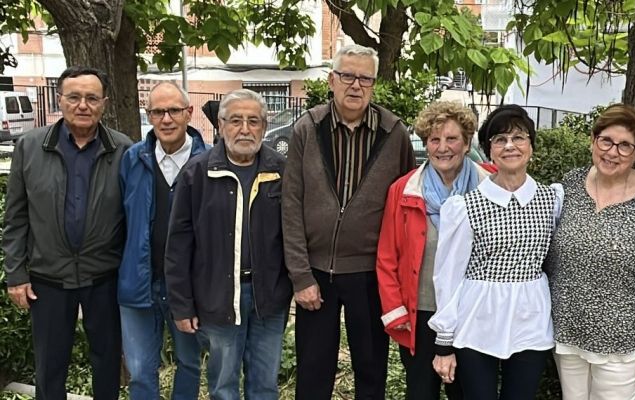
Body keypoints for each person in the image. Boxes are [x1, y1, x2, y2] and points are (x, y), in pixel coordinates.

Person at [282, 44, 416, 399]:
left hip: (371, 274)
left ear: (373, 84)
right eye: (347, 76)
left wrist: (397, 279)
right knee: (313, 373)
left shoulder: (394, 132)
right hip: (316, 273)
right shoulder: (307, 128)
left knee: (371, 372)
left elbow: (407, 207)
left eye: (365, 78)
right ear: (331, 80)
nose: (356, 85)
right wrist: (300, 275)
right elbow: (291, 204)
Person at [3, 66, 132, 400]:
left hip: (104, 277)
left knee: (107, 361)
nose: (83, 105)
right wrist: (16, 274)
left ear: (104, 102)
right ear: (60, 100)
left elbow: (134, 217)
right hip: (48, 278)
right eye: (74, 97)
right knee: (50, 364)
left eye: (91, 98)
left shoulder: (123, 150)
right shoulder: (30, 147)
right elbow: (16, 217)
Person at [165, 89, 292, 400]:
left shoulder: (281, 170)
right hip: (217, 298)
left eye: (253, 121)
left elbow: (295, 235)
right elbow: (178, 245)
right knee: (223, 385)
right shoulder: (197, 172)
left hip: (268, 299)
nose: (245, 129)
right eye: (236, 120)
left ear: (265, 126)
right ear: (220, 126)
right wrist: (182, 304)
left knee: (264, 384)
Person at [429, 105, 562, 399]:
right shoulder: (464, 207)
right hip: (478, 320)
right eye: (500, 139)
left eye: (519, 137)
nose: (510, 145)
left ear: (531, 146)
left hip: (531, 320)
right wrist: (444, 342)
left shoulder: (552, 199)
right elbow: (448, 276)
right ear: (490, 150)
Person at [546, 104, 635, 400]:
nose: (612, 152)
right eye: (606, 141)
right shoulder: (569, 186)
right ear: (593, 140)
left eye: (624, 146)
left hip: (623, 343)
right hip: (566, 332)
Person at [377, 101, 496, 400]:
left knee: (468, 393)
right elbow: (387, 256)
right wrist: (394, 309)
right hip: (422, 314)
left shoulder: (491, 186)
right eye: (434, 139)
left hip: (473, 314)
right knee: (421, 393)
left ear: (467, 143)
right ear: (426, 144)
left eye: (452, 139)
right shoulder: (404, 190)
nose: (443, 147)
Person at [118, 81, 208, 400]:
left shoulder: (209, 162)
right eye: (157, 112)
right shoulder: (132, 159)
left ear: (189, 113)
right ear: (149, 115)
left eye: (173, 111)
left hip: (187, 288)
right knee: (141, 371)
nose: (166, 119)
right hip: (140, 283)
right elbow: (118, 220)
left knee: (189, 364)